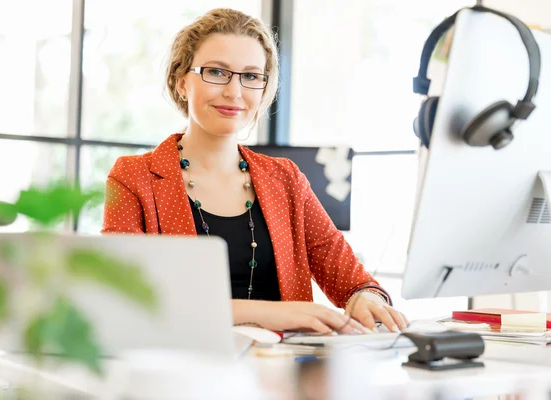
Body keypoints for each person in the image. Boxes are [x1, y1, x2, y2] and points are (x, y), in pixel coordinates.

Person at [102, 8, 408, 334]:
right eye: (217, 72)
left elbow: (351, 279)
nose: (235, 92)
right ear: (181, 83)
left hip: (282, 373)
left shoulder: (286, 179)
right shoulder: (134, 177)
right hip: (181, 374)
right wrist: (274, 314)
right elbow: (122, 299)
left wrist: (364, 297)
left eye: (250, 76)